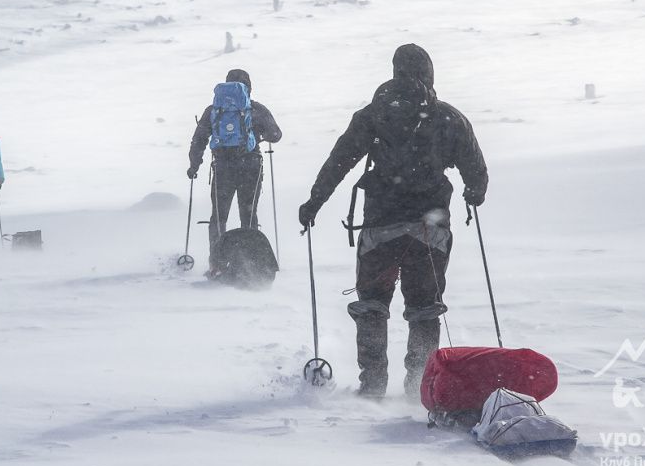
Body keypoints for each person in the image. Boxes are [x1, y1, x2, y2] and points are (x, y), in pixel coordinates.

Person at [297, 44, 487, 399]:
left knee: (372, 304)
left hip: (379, 227)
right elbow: (476, 170)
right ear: (429, 73)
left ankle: (372, 386)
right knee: (424, 308)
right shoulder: (448, 117)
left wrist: (314, 202)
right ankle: (420, 386)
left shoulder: (372, 115)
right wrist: (474, 193)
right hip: (430, 230)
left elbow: (339, 161)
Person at [188, 69, 282, 275]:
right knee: (248, 215)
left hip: (223, 168)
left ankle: (216, 264)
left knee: (219, 216)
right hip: (251, 167)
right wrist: (259, 134)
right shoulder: (255, 108)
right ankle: (252, 262)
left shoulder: (213, 110)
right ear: (248, 87)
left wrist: (194, 165)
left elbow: (199, 139)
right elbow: (276, 135)